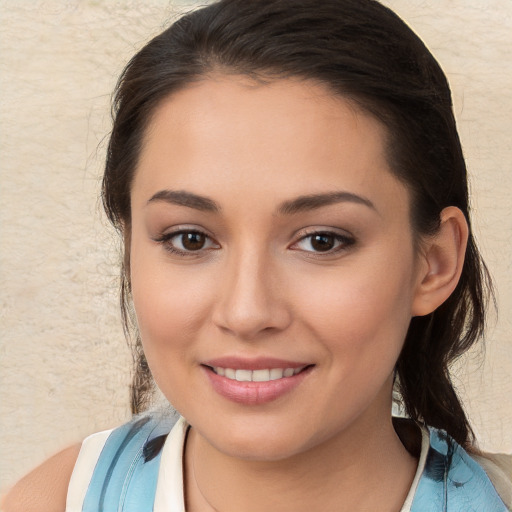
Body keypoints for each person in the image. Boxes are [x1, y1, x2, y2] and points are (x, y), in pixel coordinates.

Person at [3, 0, 511, 510]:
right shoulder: (53, 500)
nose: (246, 313)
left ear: (435, 263)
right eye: (190, 239)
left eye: (322, 240)